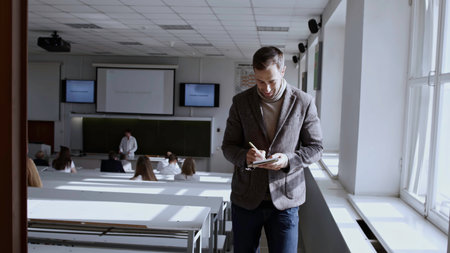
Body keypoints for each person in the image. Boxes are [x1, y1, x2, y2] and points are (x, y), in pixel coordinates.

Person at [222, 46, 323, 253]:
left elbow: (316, 148)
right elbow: (228, 146)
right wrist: (245, 156)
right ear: (254, 74)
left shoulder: (303, 102)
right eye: (260, 81)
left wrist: (287, 160)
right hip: (246, 198)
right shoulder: (241, 102)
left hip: (285, 200)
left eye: (272, 81)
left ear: (283, 71)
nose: (266, 88)